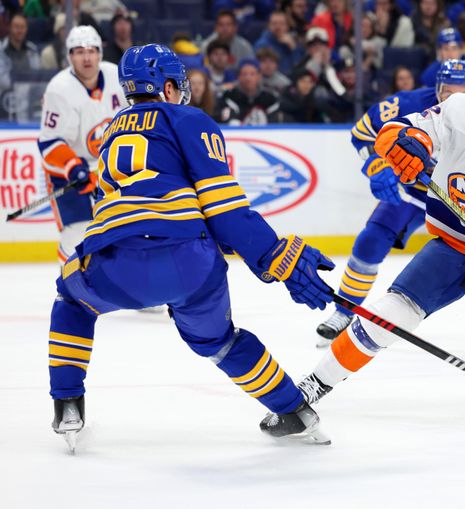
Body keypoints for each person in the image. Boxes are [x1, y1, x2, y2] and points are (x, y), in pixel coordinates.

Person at [48, 44, 335, 450]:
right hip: (190, 264)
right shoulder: (189, 119)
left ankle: (68, 406)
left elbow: (116, 210)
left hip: (116, 264)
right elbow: (225, 211)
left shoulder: (109, 132)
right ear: (167, 86)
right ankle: (293, 410)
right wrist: (275, 257)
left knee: (72, 301)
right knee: (221, 341)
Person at [302, 61, 465, 416]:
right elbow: (410, 129)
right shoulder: (460, 109)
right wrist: (406, 145)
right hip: (454, 244)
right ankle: (312, 387)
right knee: (390, 315)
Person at [315, 59, 465, 346]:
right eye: (449, 93)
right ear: (437, 89)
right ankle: (344, 311)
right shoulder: (408, 103)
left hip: (463, 201)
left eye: (463, 93)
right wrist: (378, 166)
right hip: (412, 195)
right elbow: (362, 134)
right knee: (370, 241)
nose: (456, 101)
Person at [38, 25, 126, 264]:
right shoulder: (59, 89)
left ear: (100, 52)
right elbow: (49, 142)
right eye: (78, 51)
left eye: (92, 50)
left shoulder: (116, 76)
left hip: (110, 169)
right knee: (76, 231)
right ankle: (69, 288)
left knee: (125, 227)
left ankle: (126, 288)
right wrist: (74, 167)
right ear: (69, 56)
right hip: (69, 170)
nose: (86, 57)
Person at [420, 28, 465, 93]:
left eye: (454, 48)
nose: (450, 53)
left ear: (461, 49)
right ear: (439, 51)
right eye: (446, 48)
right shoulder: (429, 74)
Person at [216, 58, 280, 125]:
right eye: (244, 74)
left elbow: (276, 120)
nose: (248, 78)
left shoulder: (270, 98)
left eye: (252, 74)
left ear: (259, 76)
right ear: (238, 77)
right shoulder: (229, 96)